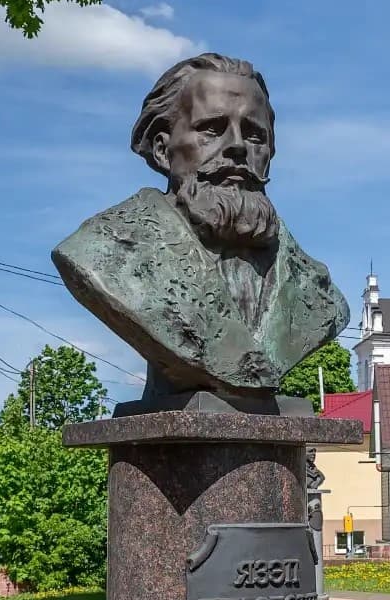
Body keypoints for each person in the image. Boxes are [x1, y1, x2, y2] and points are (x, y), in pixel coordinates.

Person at [53, 53, 348, 397]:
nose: (237, 146)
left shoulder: (317, 290)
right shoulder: (105, 251)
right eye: (212, 129)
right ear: (163, 150)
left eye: (255, 135)